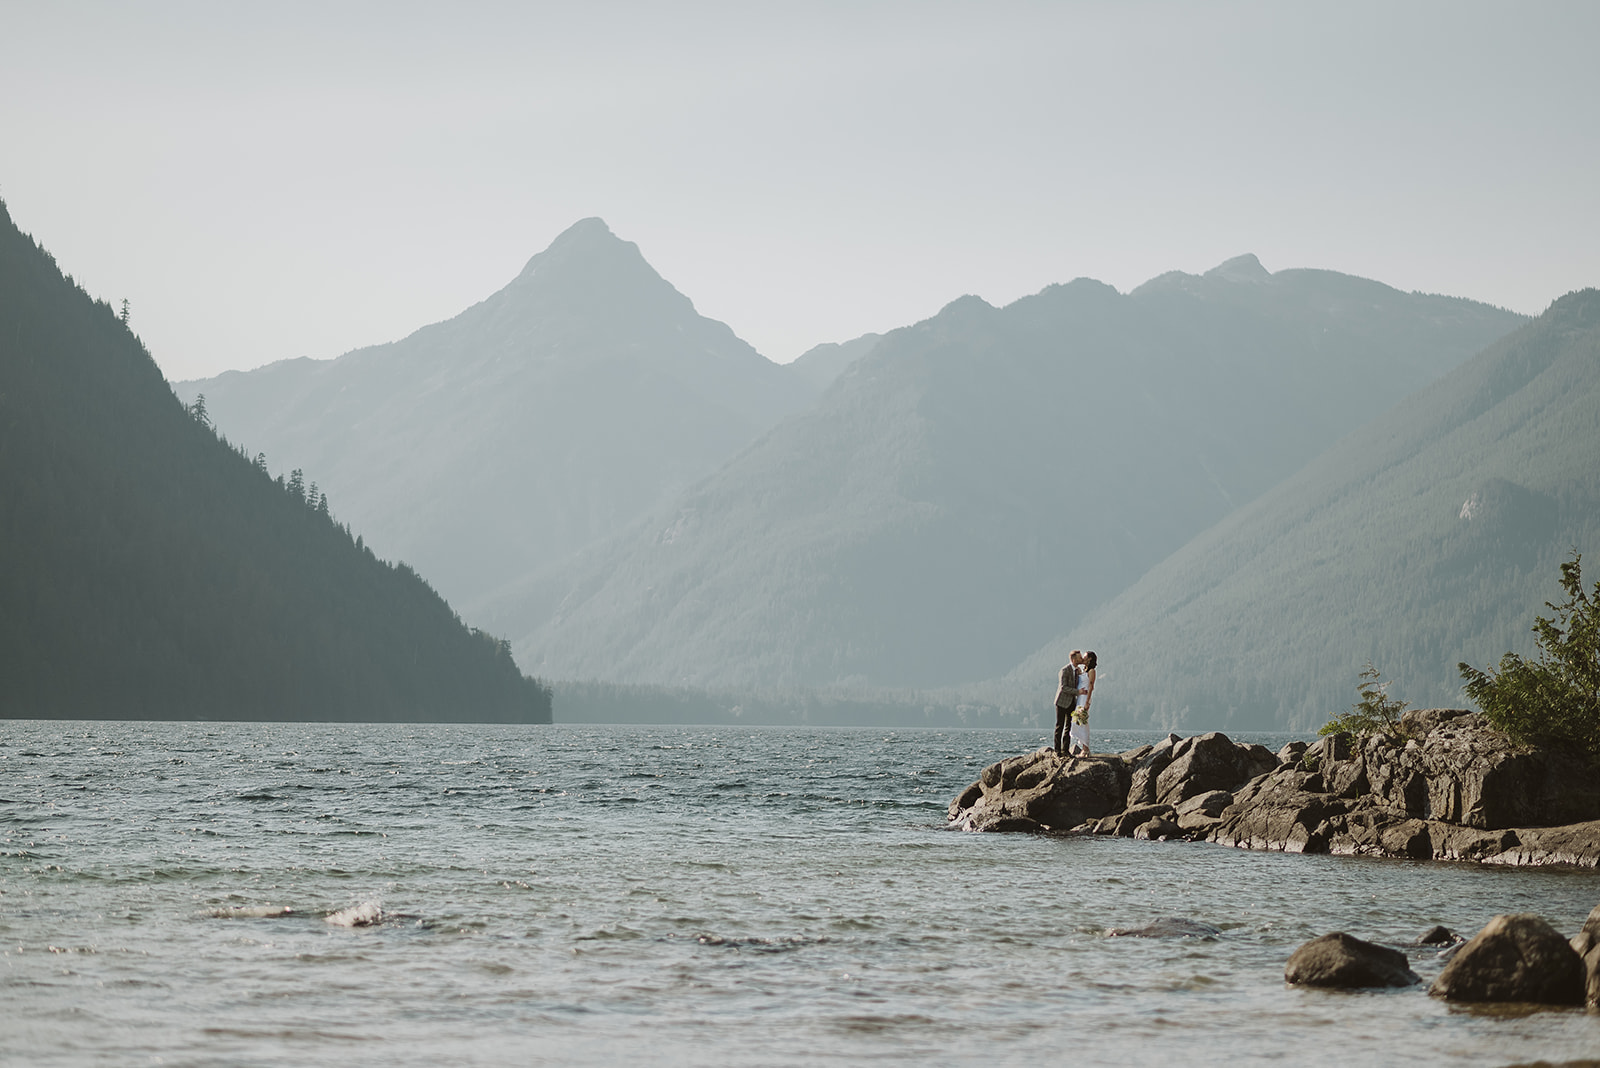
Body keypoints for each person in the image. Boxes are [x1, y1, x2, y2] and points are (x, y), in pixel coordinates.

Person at [1053, 651, 1083, 757]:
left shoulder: (1077, 671)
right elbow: (1063, 687)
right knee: (1059, 726)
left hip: (1071, 702)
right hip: (1061, 702)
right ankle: (1057, 751)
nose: (1081, 659)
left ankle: (1065, 750)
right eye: (1079, 658)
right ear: (1073, 659)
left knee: (1069, 727)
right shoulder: (1064, 670)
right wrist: (1077, 692)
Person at [1069, 651, 1097, 757]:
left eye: (1084, 657)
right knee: (1077, 722)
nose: (1083, 659)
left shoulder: (1092, 671)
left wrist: (1087, 702)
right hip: (1080, 697)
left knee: (1083, 722)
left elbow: (1091, 687)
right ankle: (1083, 747)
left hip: (1085, 698)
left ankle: (1085, 749)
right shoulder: (1083, 670)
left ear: (1089, 659)